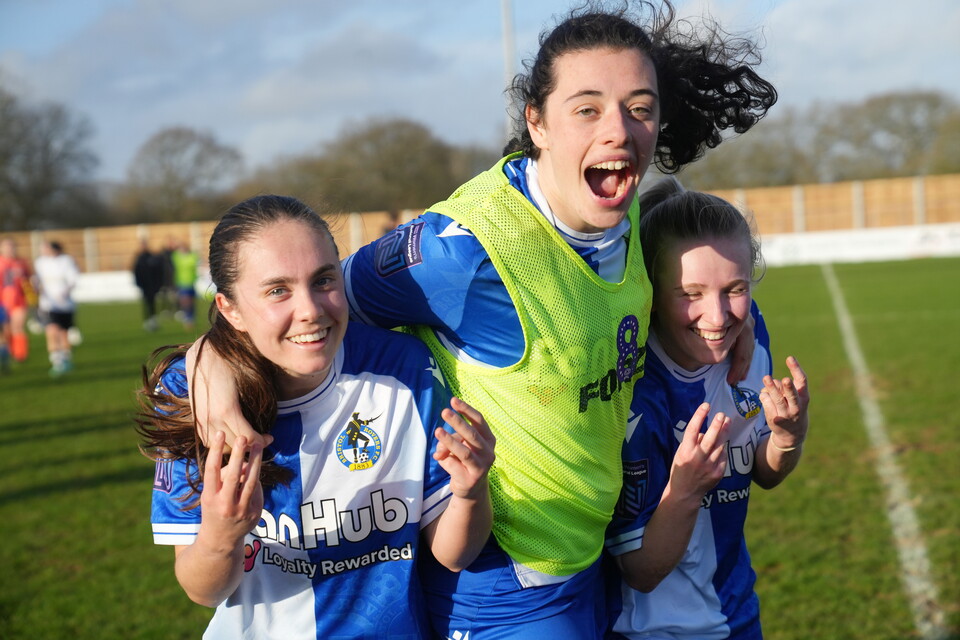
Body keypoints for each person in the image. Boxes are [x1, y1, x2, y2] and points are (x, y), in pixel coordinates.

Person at [186, 2, 777, 636]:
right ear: (537, 123)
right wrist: (211, 358)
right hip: (505, 583)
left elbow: (677, 288)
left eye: (639, 108)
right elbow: (315, 303)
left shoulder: (620, 206)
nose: (618, 130)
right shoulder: (463, 251)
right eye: (586, 109)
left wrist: (737, 322)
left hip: (591, 560)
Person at [137, 195, 495, 639]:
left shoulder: (403, 369)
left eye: (324, 280)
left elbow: (452, 553)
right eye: (277, 290)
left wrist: (470, 490)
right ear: (230, 309)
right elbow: (203, 590)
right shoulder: (190, 394)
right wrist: (220, 535)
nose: (310, 309)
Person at [604, 177, 810, 639]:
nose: (718, 318)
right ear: (652, 294)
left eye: (735, 289)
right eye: (691, 294)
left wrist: (786, 437)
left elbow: (764, 472)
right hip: (650, 631)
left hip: (738, 617)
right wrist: (685, 491)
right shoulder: (633, 396)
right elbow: (641, 570)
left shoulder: (751, 345)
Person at [33, 240, 80, 377]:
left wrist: (65, 292)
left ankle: (65, 358)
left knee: (64, 333)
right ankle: (56, 361)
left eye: (45, 248)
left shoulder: (66, 261)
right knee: (52, 329)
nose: (43, 251)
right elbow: (37, 279)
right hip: (48, 304)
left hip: (65, 304)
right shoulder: (40, 262)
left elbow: (73, 279)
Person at [0, 237, 34, 363]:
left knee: (18, 326)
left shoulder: (22, 263)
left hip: (19, 300)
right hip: (2, 301)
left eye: (11, 246)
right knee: (6, 330)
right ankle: (7, 351)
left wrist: (32, 298)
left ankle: (20, 354)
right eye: (6, 246)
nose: (9, 249)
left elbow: (29, 281)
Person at [133, 239, 166, 331]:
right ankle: (148, 320)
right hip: (144, 286)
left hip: (153, 285)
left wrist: (159, 283)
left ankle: (153, 320)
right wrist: (139, 284)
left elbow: (158, 271)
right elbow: (136, 272)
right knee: (147, 303)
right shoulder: (139, 258)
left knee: (153, 303)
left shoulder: (152, 257)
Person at [170, 240, 199, 330]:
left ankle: (191, 317)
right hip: (181, 283)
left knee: (191, 301)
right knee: (186, 301)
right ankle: (188, 318)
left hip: (191, 282)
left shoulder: (192, 256)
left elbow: (196, 262)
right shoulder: (176, 257)